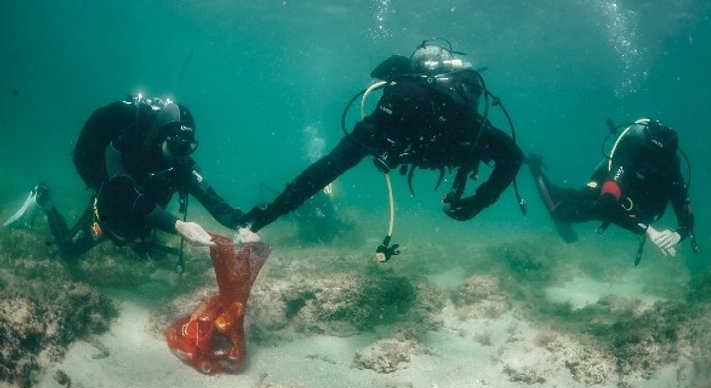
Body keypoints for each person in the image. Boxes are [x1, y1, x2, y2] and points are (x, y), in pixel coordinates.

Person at [241, 40, 523, 239]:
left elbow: (512, 155)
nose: (394, 136)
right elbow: (325, 170)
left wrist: (480, 200)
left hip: (452, 143)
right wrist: (268, 213)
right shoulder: (381, 123)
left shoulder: (458, 122)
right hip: (446, 143)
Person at [3, 94, 246, 260]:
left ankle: (140, 239)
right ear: (161, 137)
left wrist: (241, 225)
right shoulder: (125, 148)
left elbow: (209, 196)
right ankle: (43, 199)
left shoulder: (179, 160)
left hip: (143, 225)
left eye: (187, 148)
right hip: (106, 218)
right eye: (175, 146)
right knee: (68, 250)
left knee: (145, 248)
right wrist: (178, 225)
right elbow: (123, 193)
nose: (179, 155)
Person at [526, 118, 697, 263]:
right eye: (653, 158)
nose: (655, 166)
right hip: (604, 196)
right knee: (559, 212)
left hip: (632, 210)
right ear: (647, 150)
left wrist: (678, 234)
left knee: (573, 202)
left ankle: (558, 192)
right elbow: (607, 201)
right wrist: (648, 231)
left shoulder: (671, 170)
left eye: (663, 160)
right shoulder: (631, 156)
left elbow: (686, 217)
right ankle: (535, 168)